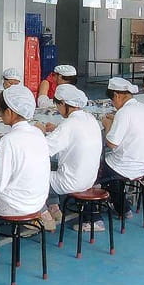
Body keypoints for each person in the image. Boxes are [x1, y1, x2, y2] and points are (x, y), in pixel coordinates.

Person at [36, 84, 102, 231]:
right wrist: (57, 129)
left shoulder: (69, 125)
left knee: (31, 177)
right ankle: (54, 208)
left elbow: (41, 150)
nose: (58, 110)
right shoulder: (90, 118)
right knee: (52, 165)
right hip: (89, 178)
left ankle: (44, 215)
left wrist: (39, 132)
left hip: (71, 182)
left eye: (58, 106)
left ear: (63, 104)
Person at [0, 85, 50, 223]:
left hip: (14, 205)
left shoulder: (9, 140)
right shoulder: (37, 132)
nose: (0, 115)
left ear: (9, 112)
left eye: (0, 111)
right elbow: (23, 153)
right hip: (38, 201)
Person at [99, 77, 144, 226]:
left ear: (117, 95)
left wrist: (107, 124)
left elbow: (111, 143)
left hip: (127, 166)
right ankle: (120, 203)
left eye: (112, 101)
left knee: (96, 169)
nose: (113, 104)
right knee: (110, 166)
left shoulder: (124, 112)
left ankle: (113, 210)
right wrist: (116, 119)